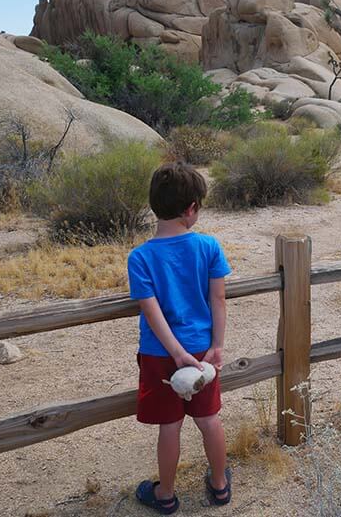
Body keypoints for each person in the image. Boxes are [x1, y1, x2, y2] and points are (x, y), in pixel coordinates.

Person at [127, 162, 232, 514]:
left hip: (160, 354)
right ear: (191, 209)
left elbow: (151, 311)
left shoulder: (140, 257)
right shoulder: (208, 246)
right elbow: (217, 299)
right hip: (201, 350)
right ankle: (219, 485)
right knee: (208, 419)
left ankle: (166, 496)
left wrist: (175, 353)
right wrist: (216, 346)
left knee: (169, 427)